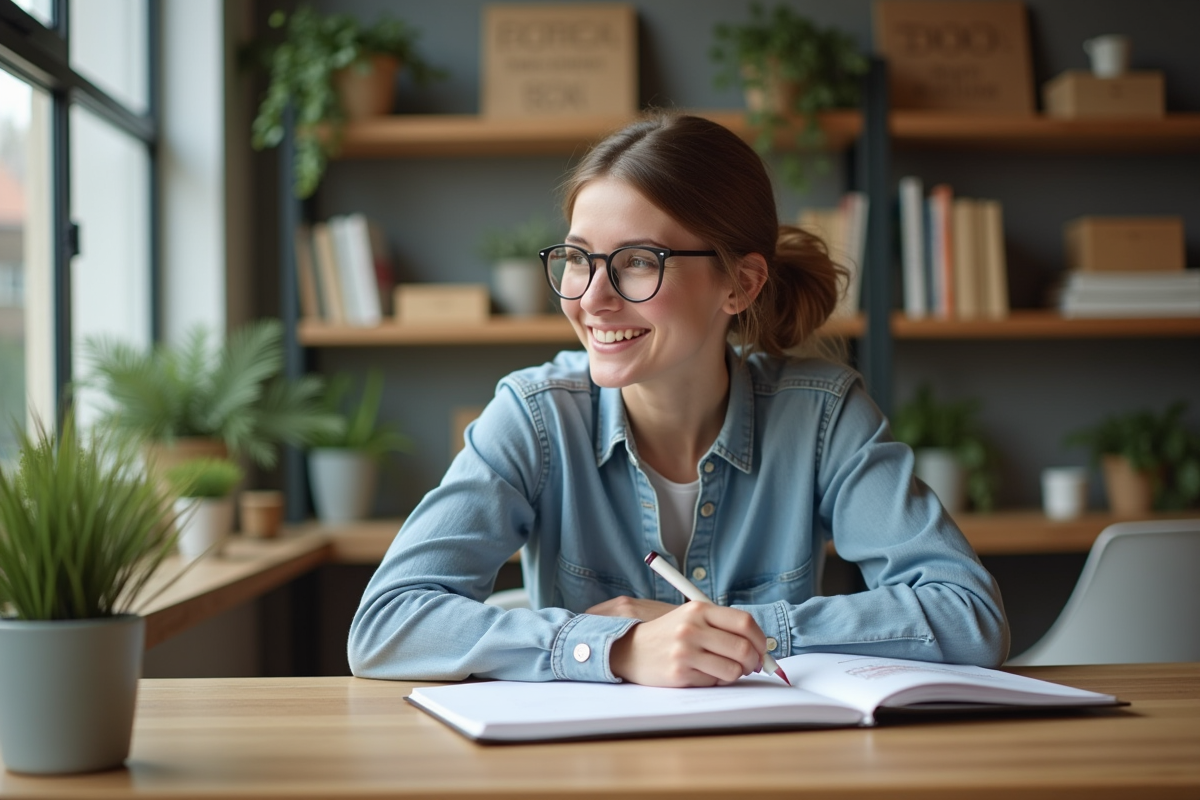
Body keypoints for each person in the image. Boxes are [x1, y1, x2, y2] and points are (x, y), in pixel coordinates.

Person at [348, 113, 1009, 687]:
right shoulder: (535, 415)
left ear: (739, 285)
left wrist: (730, 634)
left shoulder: (822, 415)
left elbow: (968, 615)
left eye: (637, 261)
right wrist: (619, 647)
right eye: (578, 259)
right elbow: (387, 624)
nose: (591, 298)